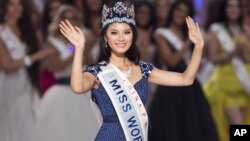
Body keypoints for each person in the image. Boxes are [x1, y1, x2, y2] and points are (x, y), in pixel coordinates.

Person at [59, 0, 204, 140]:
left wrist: (198, 47)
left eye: (126, 32)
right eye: (114, 32)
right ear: (105, 37)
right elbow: (78, 87)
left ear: (133, 36)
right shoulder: (98, 71)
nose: (121, 38)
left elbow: (186, 79)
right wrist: (79, 49)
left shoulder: (144, 69)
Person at [148, 1, 218, 141]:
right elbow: (171, 61)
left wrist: (201, 44)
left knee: (195, 125)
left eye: (185, 12)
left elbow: (200, 60)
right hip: (171, 86)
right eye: (179, 10)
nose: (181, 14)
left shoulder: (191, 34)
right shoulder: (162, 34)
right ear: (173, 11)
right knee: (172, 127)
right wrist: (188, 41)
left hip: (191, 87)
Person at [36, 5, 101, 141]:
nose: (71, 21)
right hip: (61, 92)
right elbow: (56, 66)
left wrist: (84, 48)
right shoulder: (53, 43)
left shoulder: (85, 40)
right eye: (67, 18)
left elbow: (91, 65)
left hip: (84, 93)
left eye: (74, 18)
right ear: (60, 20)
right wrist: (76, 49)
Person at [0, 0, 54, 140]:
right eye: (11, 4)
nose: (16, 8)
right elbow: (6, 64)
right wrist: (34, 57)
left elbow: (47, 58)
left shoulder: (28, 31)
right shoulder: (2, 33)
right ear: (5, 7)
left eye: (19, 4)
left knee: (32, 128)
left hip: (29, 85)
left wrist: (70, 48)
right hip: (10, 88)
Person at [204, 0, 250, 140]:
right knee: (239, 127)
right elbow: (213, 58)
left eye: (237, 6)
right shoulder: (216, 29)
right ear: (224, 9)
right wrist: (232, 53)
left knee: (242, 127)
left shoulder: (245, 29)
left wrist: (243, 54)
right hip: (226, 85)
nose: (234, 9)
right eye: (230, 6)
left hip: (244, 84)